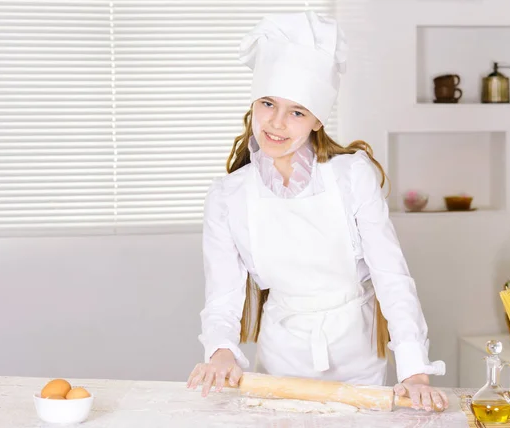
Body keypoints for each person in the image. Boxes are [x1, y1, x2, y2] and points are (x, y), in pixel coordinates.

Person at [187, 10, 448, 412]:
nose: (276, 123)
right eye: (268, 104)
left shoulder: (351, 175)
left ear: (316, 120)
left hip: (358, 358)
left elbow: (390, 275)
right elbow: (223, 294)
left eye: (296, 111)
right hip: (280, 359)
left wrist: (414, 369)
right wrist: (221, 350)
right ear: (254, 104)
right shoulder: (228, 195)